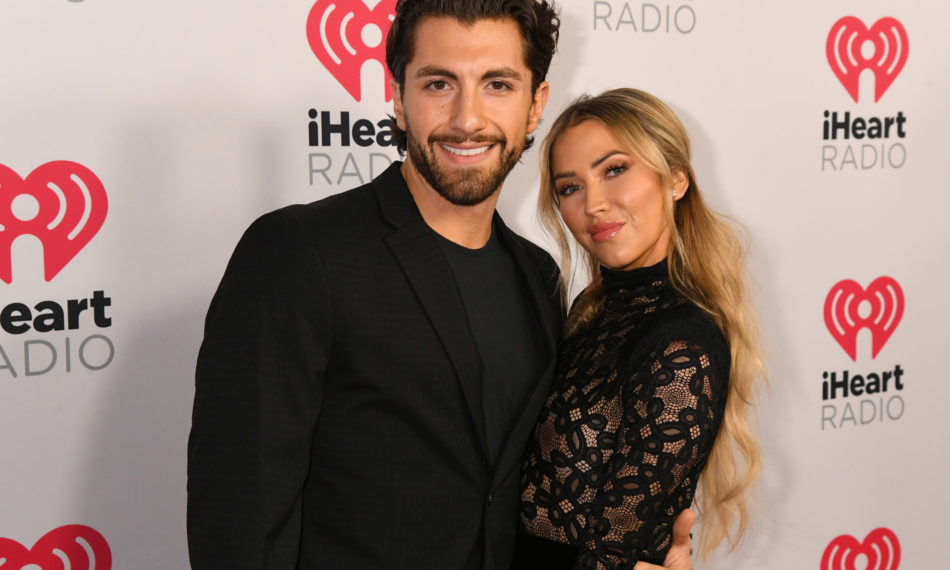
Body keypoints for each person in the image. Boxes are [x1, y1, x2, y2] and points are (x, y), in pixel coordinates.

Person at [187, 2, 692, 569]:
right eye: (438, 84)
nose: (468, 118)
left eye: (498, 84)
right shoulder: (301, 252)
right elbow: (238, 519)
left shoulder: (539, 279)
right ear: (399, 98)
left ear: (536, 106)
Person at [514, 88, 763, 569]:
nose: (594, 204)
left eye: (614, 170)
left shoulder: (681, 344)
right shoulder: (591, 311)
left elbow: (607, 556)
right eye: (570, 187)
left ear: (675, 179)